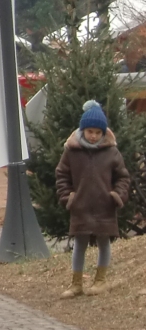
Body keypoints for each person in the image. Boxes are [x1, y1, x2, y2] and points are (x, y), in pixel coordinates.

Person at [55, 101, 131, 299]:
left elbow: (123, 177)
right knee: (80, 243)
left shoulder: (111, 152)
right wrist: (67, 197)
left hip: (105, 206)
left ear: (103, 132)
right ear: (83, 130)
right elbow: (62, 175)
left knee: (104, 242)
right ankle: (76, 283)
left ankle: (100, 280)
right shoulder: (72, 151)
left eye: (98, 132)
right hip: (80, 206)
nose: (94, 136)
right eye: (90, 131)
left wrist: (117, 195)